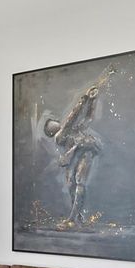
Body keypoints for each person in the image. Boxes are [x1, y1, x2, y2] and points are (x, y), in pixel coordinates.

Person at [43, 67, 116, 224]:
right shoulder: (59, 136)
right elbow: (73, 116)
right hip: (77, 153)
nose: (56, 121)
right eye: (52, 123)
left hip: (86, 150)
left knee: (78, 181)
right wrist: (85, 98)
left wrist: (92, 100)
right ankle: (77, 214)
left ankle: (74, 216)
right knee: (72, 183)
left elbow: (87, 118)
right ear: (50, 130)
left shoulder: (73, 130)